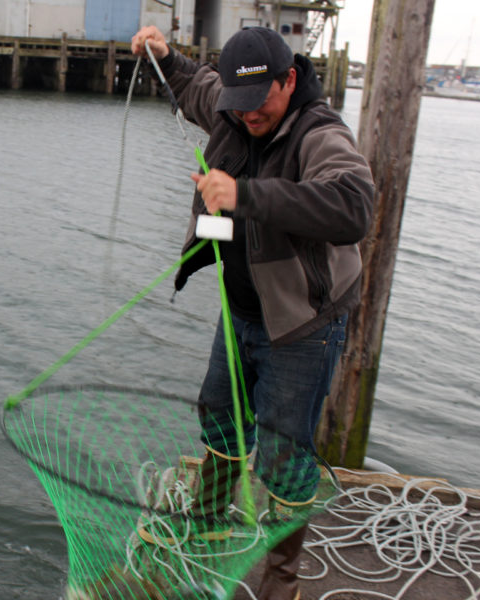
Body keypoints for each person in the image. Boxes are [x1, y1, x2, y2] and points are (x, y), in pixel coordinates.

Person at [131, 25, 374, 600]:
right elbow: (194, 86)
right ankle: (209, 531)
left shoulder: (320, 134)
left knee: (286, 451)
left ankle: (281, 580)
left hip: (301, 323)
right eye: (236, 107)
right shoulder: (237, 107)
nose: (246, 116)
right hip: (239, 310)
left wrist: (244, 195)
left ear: (289, 80)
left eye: (259, 101)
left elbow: (353, 204)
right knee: (218, 416)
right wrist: (167, 55)